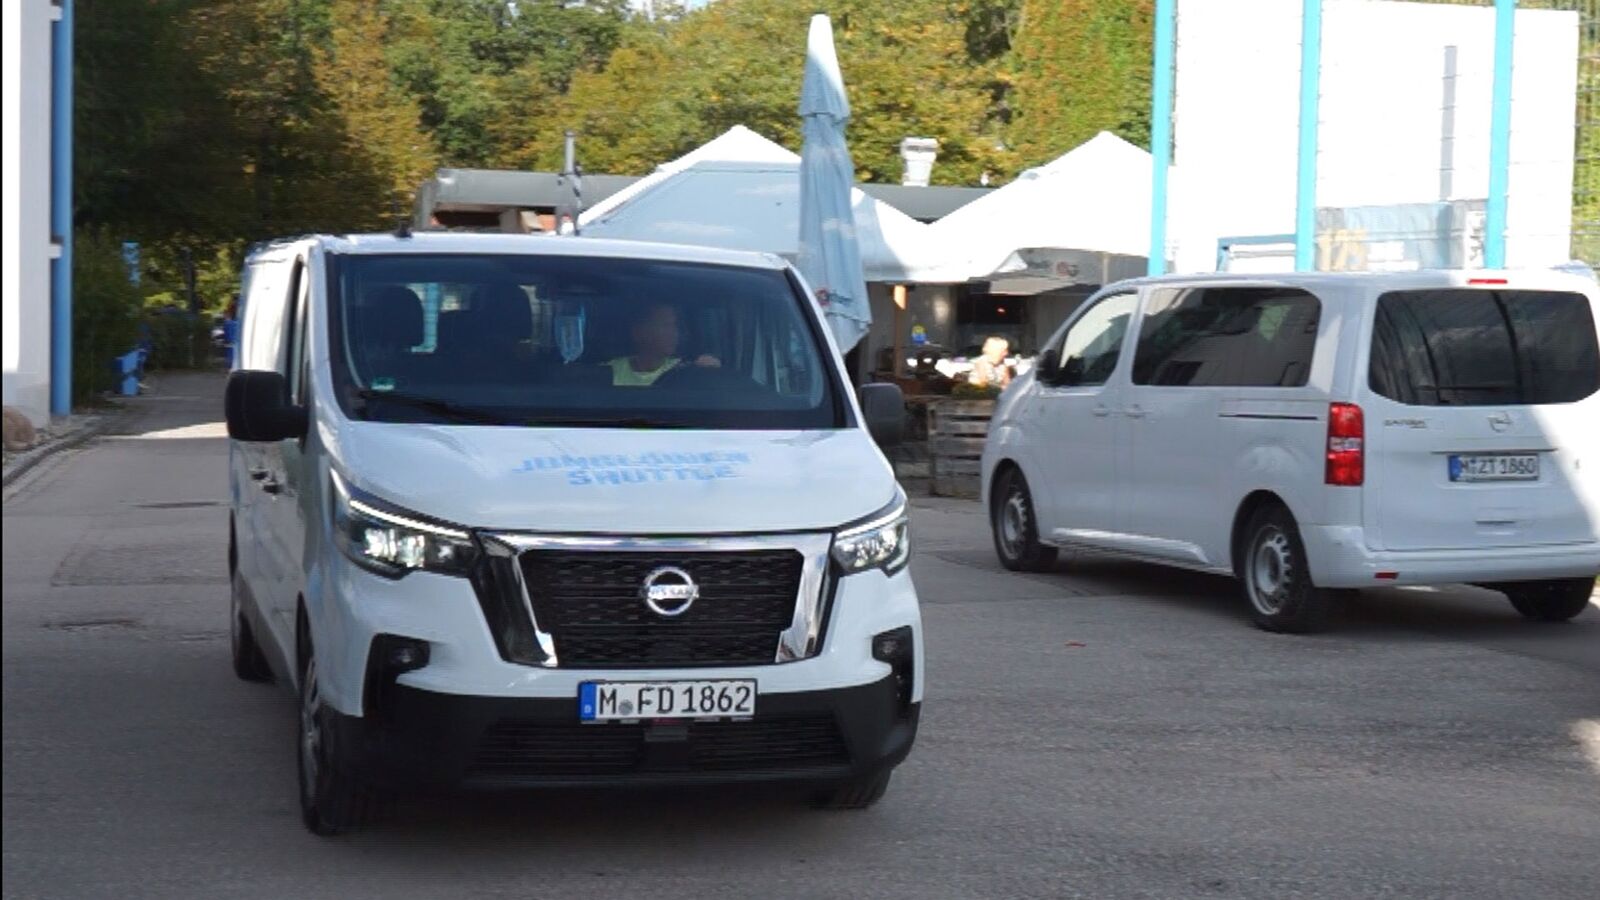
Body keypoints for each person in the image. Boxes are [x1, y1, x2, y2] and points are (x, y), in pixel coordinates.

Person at [607, 302, 720, 387]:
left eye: (674, 326)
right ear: (638, 332)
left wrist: (711, 370)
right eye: (666, 325)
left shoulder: (685, 370)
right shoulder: (610, 371)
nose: (674, 333)